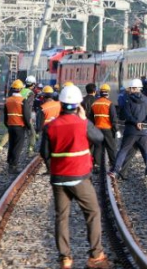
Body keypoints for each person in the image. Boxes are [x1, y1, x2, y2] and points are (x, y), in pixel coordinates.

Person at [39, 85, 108, 269]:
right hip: (79, 177)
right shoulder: (83, 124)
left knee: (61, 217)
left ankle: (65, 259)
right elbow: (99, 139)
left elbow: (44, 152)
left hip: (58, 179)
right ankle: (95, 256)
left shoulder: (50, 127)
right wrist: (85, 119)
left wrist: (54, 166)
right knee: (93, 212)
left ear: (61, 103)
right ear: (78, 105)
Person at [109, 79, 147, 179]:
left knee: (123, 151)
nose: (130, 90)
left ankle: (115, 171)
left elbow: (126, 114)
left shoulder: (128, 100)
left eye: (131, 88)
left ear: (135, 88)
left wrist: (136, 123)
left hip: (131, 130)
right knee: (146, 151)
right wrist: (145, 123)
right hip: (143, 131)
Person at [4, 80, 33, 174]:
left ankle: (9, 163)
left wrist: (7, 124)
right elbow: (26, 115)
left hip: (11, 125)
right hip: (19, 126)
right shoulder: (22, 101)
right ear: (20, 89)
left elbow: (5, 115)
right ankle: (14, 166)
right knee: (18, 146)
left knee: (11, 145)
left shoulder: (8, 100)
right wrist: (28, 127)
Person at [90, 84, 119, 171]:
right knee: (111, 147)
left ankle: (97, 166)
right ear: (108, 93)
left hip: (97, 128)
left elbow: (91, 118)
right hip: (107, 129)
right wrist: (116, 130)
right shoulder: (109, 104)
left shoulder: (94, 104)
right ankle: (114, 165)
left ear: (100, 93)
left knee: (98, 147)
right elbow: (113, 119)